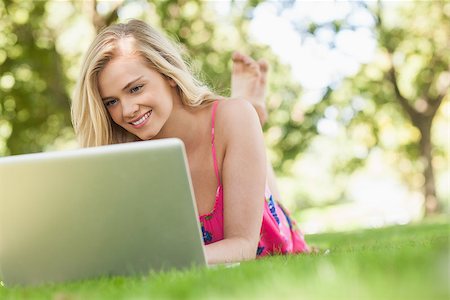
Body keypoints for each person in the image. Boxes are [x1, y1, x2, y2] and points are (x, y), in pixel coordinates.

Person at [71, 19, 310, 265]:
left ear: (168, 75)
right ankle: (251, 126)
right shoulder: (123, 154)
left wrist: (164, 261)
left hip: (273, 244)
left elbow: (243, 247)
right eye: (111, 102)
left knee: (241, 117)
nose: (127, 110)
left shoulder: (231, 117)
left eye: (135, 89)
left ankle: (251, 116)